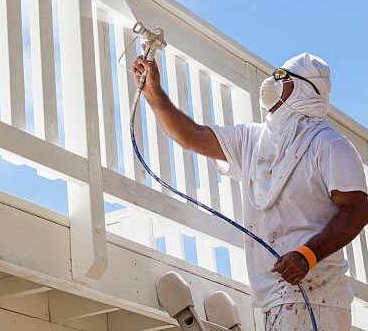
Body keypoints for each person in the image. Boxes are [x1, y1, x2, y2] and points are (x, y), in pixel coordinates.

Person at [132, 50, 368, 330]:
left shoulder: (328, 144)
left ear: (304, 88)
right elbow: (191, 136)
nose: (273, 80)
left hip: (319, 299)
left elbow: (358, 209)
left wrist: (308, 254)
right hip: (273, 298)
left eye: (282, 76)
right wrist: (153, 93)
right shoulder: (252, 139)